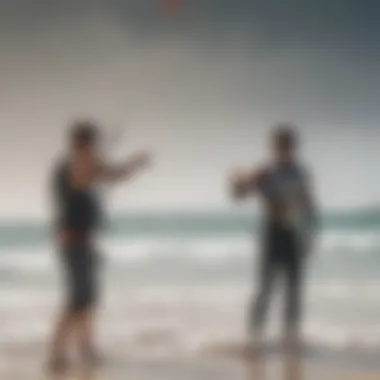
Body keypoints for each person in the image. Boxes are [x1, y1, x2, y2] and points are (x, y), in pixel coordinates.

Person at [48, 119, 152, 374]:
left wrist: (134, 165)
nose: (94, 149)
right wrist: (101, 161)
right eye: (91, 144)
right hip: (73, 241)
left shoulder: (85, 165)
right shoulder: (69, 167)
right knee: (76, 299)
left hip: (85, 241)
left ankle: (86, 348)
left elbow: (113, 176)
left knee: (88, 300)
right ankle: (56, 353)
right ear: (81, 144)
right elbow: (87, 177)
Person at [229, 124, 318, 352]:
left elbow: (309, 205)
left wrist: (311, 234)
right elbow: (238, 196)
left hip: (293, 233)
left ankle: (291, 337)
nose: (284, 149)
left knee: (294, 289)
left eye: (288, 145)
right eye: (280, 145)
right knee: (266, 288)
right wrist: (237, 181)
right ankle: (253, 337)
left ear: (294, 147)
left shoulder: (300, 173)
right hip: (271, 233)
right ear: (274, 147)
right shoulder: (265, 173)